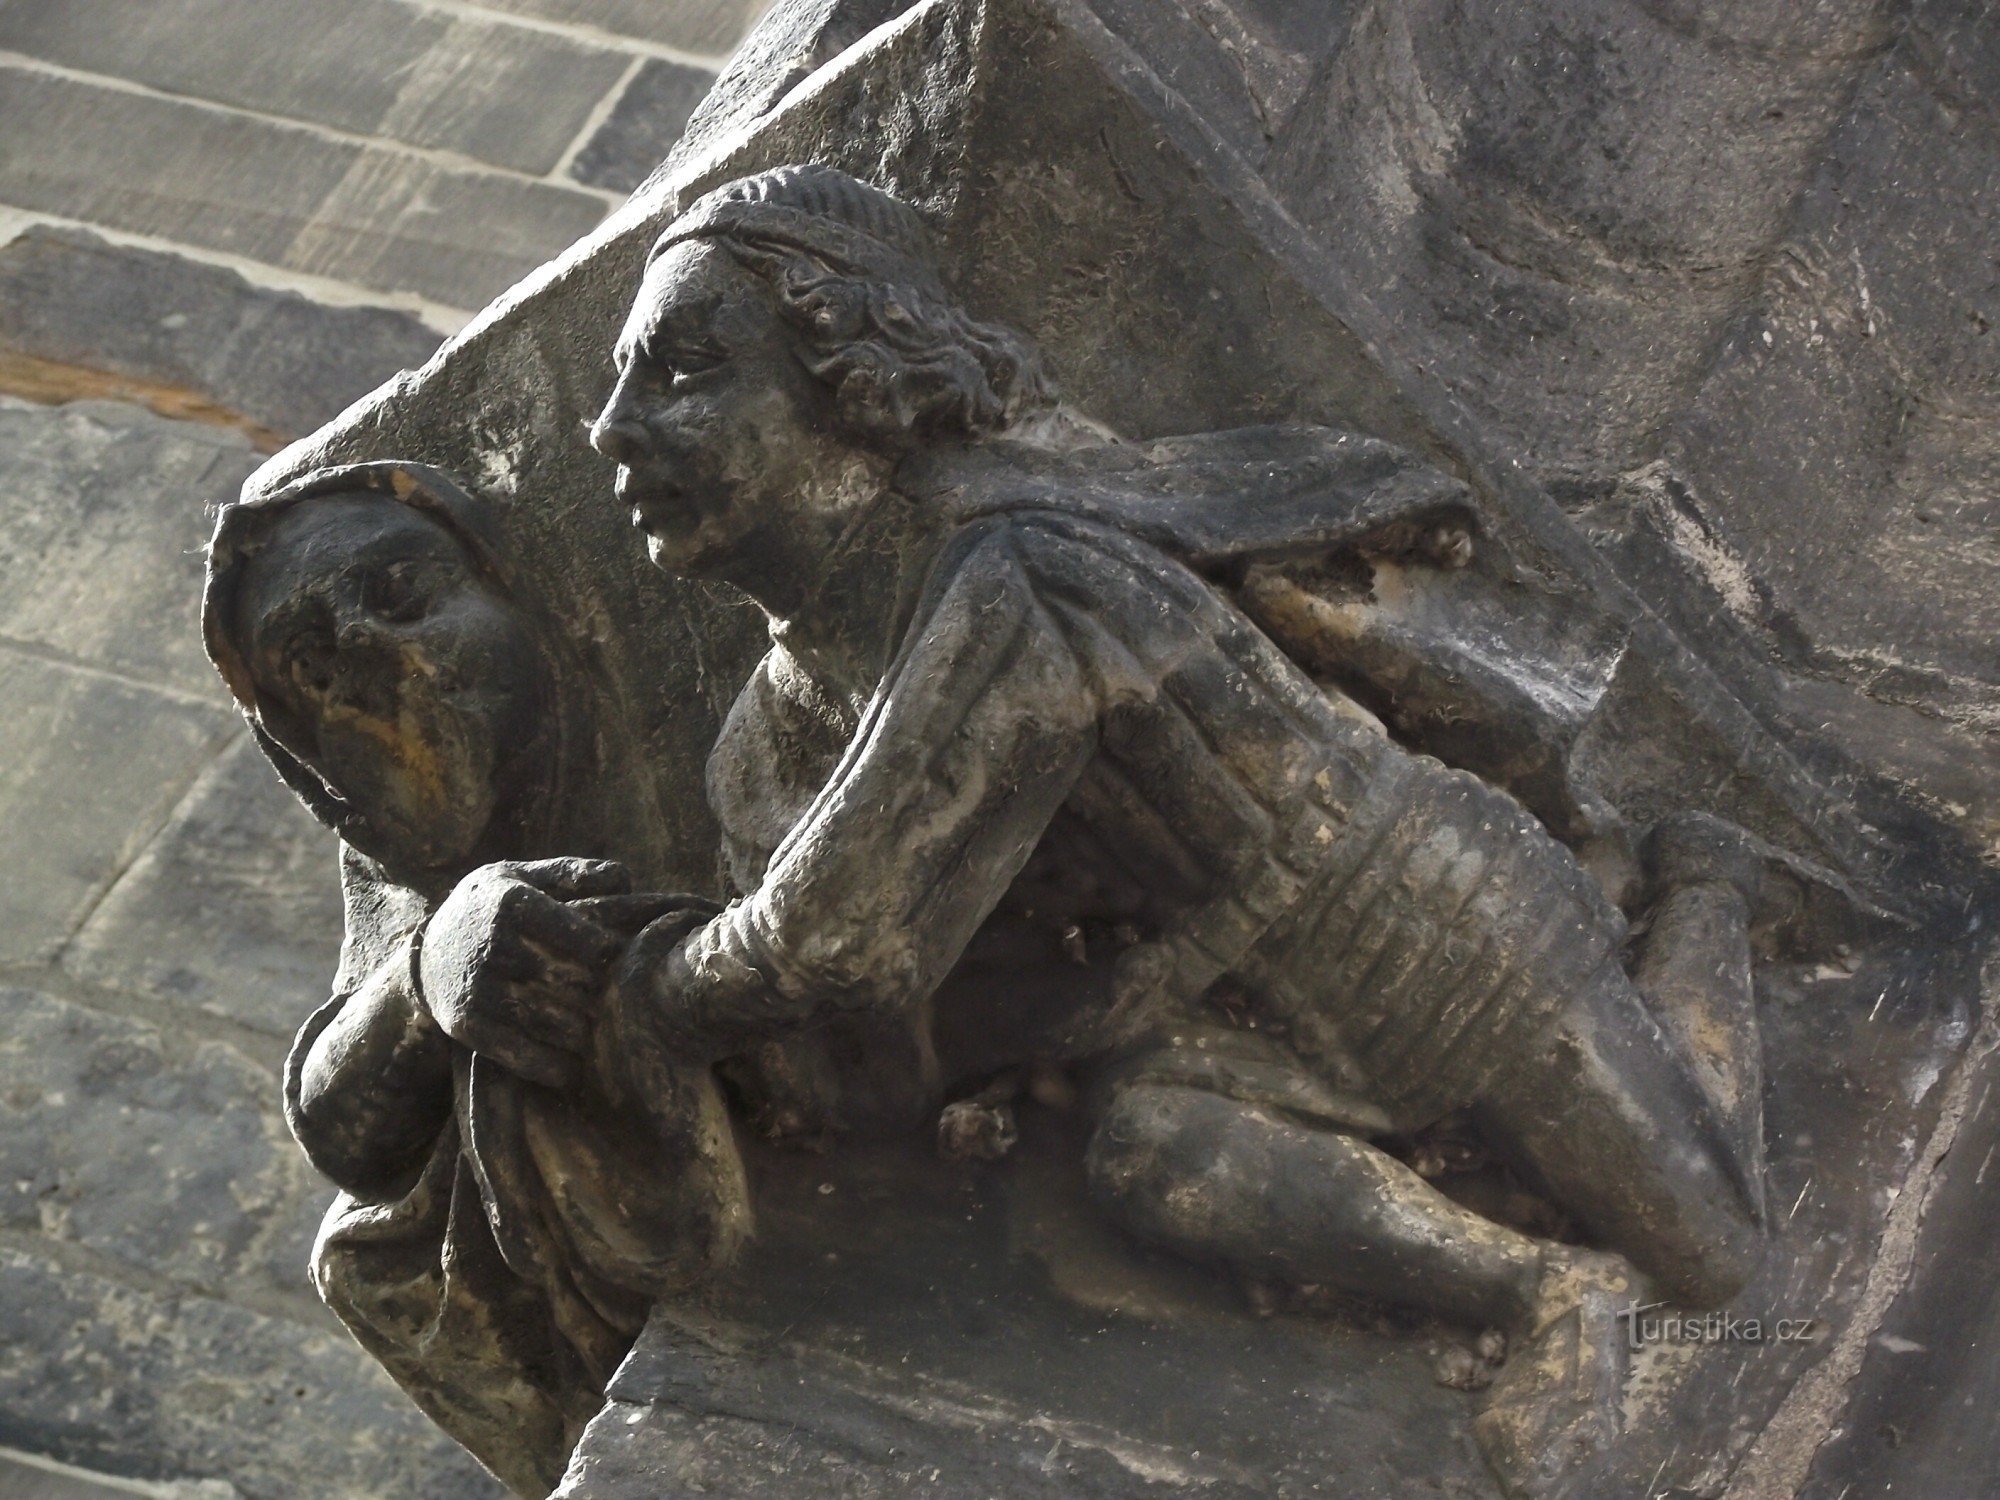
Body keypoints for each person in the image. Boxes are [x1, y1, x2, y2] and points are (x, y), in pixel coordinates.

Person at [574, 163, 1811, 1496]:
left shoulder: (1020, 572)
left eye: (687, 371)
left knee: (1717, 1257)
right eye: (621, 384)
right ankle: (1546, 1294)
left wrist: (642, 990)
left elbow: (837, 936)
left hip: (1410, 932)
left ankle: (1703, 887)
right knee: (1151, 1155)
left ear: (855, 383)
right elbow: (863, 1067)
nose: (610, 431)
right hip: (1218, 1020)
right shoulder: (771, 740)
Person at [203, 462, 750, 1498]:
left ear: (503, 579)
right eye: (314, 669)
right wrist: (427, 966)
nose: (376, 658)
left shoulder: (694, 687)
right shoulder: (389, 839)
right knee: (370, 1241)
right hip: (630, 1263)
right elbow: (341, 1130)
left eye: (402, 597)